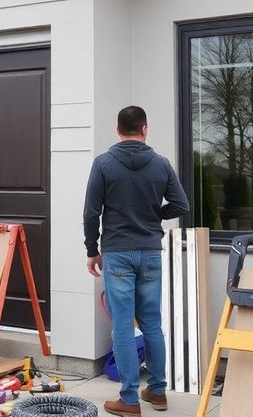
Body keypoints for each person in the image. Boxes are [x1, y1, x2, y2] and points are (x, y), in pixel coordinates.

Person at [83, 106, 190, 417]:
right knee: (152, 323)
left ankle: (129, 399)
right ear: (144, 129)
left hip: (117, 253)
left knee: (121, 327)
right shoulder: (161, 164)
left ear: (118, 130)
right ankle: (157, 392)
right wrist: (154, 214)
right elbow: (181, 205)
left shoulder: (103, 164)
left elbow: (92, 213)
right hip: (150, 252)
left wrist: (92, 250)